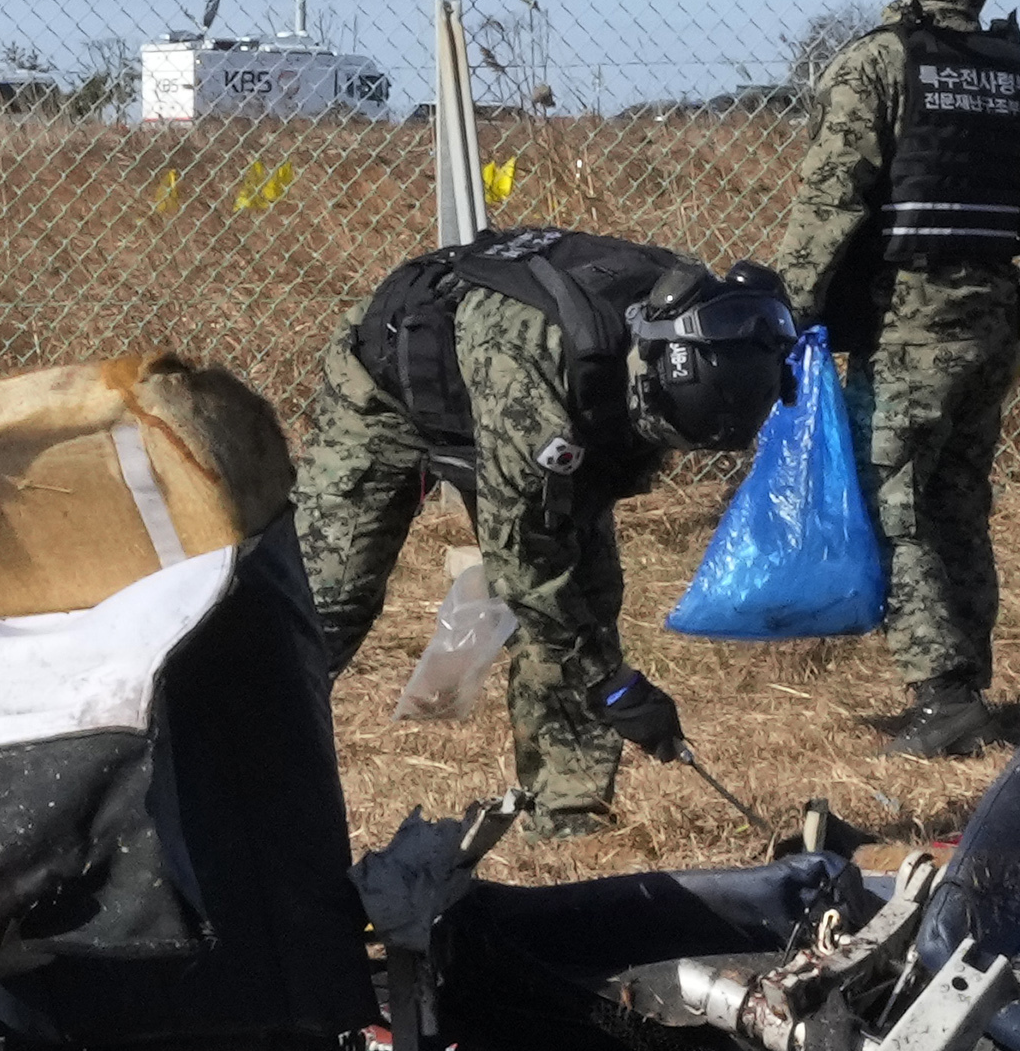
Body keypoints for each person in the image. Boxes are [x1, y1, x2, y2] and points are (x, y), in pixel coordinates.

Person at [296, 229, 796, 834]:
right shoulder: (534, 367)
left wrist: (603, 668)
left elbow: (568, 588)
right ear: (651, 366)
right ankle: (243, 768)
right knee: (327, 600)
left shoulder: (691, 313)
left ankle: (569, 813)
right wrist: (614, 684)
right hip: (386, 387)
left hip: (532, 396)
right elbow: (526, 569)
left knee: (585, 602)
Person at [774, 0, 1020, 756]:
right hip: (992, 321)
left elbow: (829, 203)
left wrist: (785, 317)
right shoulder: (1017, 80)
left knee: (890, 506)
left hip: (906, 324)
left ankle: (942, 695)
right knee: (957, 503)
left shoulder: (876, 66)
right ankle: (971, 682)